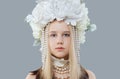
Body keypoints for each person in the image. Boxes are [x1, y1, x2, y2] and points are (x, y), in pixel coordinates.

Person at [25, 0, 97, 79]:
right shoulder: (33, 77)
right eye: (53, 35)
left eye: (66, 35)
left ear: (75, 38)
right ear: (45, 39)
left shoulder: (89, 76)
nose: (59, 41)